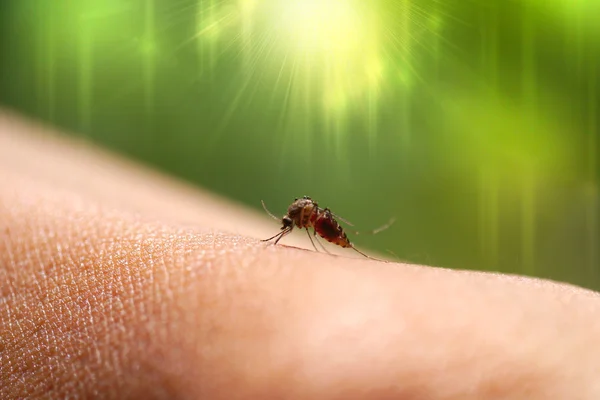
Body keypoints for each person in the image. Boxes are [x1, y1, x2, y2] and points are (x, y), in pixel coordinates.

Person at [1, 111, 599, 399]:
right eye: (295, 226)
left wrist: (322, 241)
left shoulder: (309, 229)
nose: (292, 230)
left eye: (292, 226)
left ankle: (354, 249)